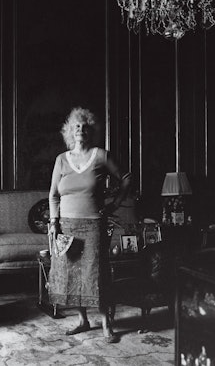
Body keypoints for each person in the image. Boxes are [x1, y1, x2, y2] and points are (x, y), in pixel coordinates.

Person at [48, 107, 131, 343]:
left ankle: (106, 324)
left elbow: (126, 179)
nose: (80, 130)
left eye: (85, 126)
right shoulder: (61, 160)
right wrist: (54, 222)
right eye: (76, 126)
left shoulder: (101, 155)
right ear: (69, 131)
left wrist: (114, 205)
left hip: (93, 225)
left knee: (96, 274)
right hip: (66, 225)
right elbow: (53, 195)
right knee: (73, 275)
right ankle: (83, 320)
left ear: (91, 131)